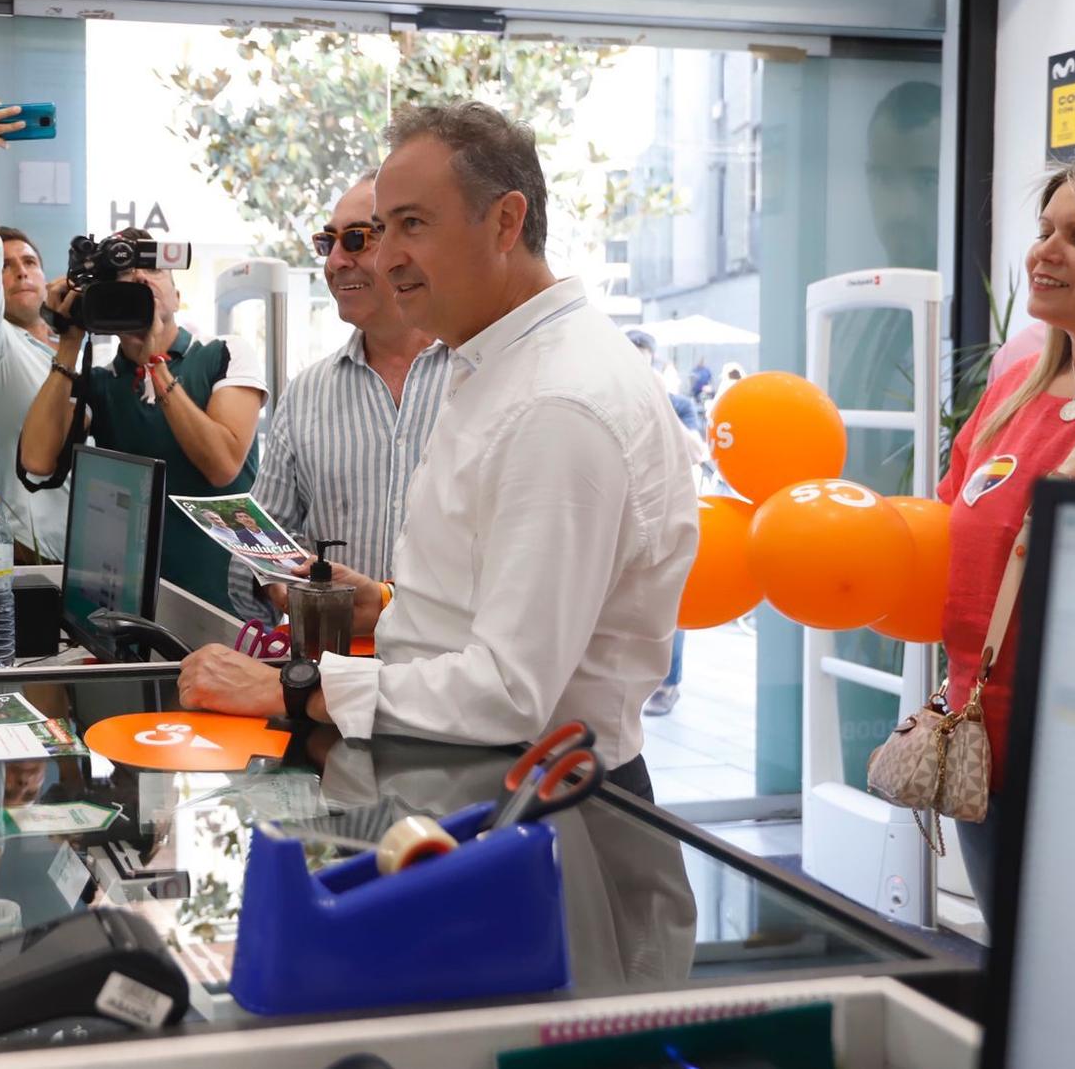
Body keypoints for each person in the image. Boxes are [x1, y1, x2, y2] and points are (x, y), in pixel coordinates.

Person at [180, 102, 698, 793]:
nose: (386, 256)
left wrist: (292, 686)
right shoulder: (496, 364)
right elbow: (501, 613)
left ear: (506, 222)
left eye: (412, 225)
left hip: (537, 805)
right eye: (382, 228)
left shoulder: (558, 402)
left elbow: (509, 691)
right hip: (470, 775)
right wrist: (396, 609)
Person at [939, 163, 1075, 916]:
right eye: (1044, 231)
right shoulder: (1012, 392)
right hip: (980, 747)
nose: (1045, 253)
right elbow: (939, 532)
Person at [228, 174, 449, 626]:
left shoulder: (480, 377)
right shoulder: (307, 393)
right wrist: (283, 581)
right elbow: (260, 543)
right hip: (331, 679)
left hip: (453, 678)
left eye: (356, 239)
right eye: (327, 242)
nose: (335, 262)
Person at [19, 228, 265, 613]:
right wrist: (69, 340)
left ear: (178, 297)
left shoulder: (225, 355)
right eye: (124, 274)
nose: (138, 278)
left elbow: (223, 466)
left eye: (153, 269)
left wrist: (156, 365)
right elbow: (37, 460)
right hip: (134, 604)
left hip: (225, 603)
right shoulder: (100, 382)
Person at [0, 99, 72, 560]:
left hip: (90, 545)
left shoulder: (74, 348)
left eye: (29, 262)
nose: (20, 272)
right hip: (34, 548)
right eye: (9, 266)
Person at [625, 327, 709, 719]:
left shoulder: (677, 404)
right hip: (627, 516)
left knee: (672, 604)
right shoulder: (616, 403)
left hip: (669, 514)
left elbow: (697, 451)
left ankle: (669, 683)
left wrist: (659, 401)